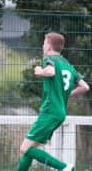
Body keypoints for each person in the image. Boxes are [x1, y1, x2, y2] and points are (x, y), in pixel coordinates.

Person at [16, 32, 89, 171]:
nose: (43, 46)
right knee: (31, 149)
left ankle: (64, 167)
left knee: (25, 148)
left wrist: (39, 71)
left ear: (49, 46)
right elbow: (85, 87)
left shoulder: (49, 58)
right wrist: (66, 94)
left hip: (50, 111)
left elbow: (50, 72)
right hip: (60, 113)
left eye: (44, 43)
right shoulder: (68, 65)